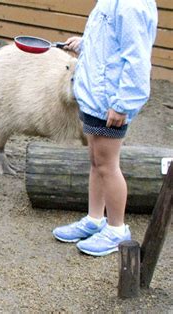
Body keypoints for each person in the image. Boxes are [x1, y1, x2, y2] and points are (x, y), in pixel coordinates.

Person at [52, 0, 158, 256]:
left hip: (110, 101)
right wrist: (83, 44)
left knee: (107, 165)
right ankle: (94, 219)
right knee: (96, 161)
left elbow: (137, 58)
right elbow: (108, 42)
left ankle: (116, 229)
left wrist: (123, 104)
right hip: (95, 95)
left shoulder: (132, 7)